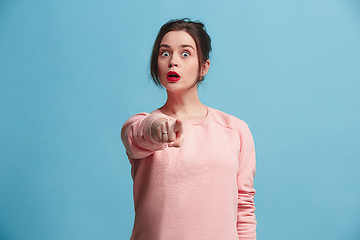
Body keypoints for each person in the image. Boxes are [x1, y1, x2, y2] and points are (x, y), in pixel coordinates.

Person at [121, 18, 257, 240]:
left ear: (204, 66)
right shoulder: (139, 125)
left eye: (185, 53)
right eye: (165, 53)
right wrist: (157, 129)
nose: (173, 61)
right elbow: (139, 136)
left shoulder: (235, 130)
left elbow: (244, 206)